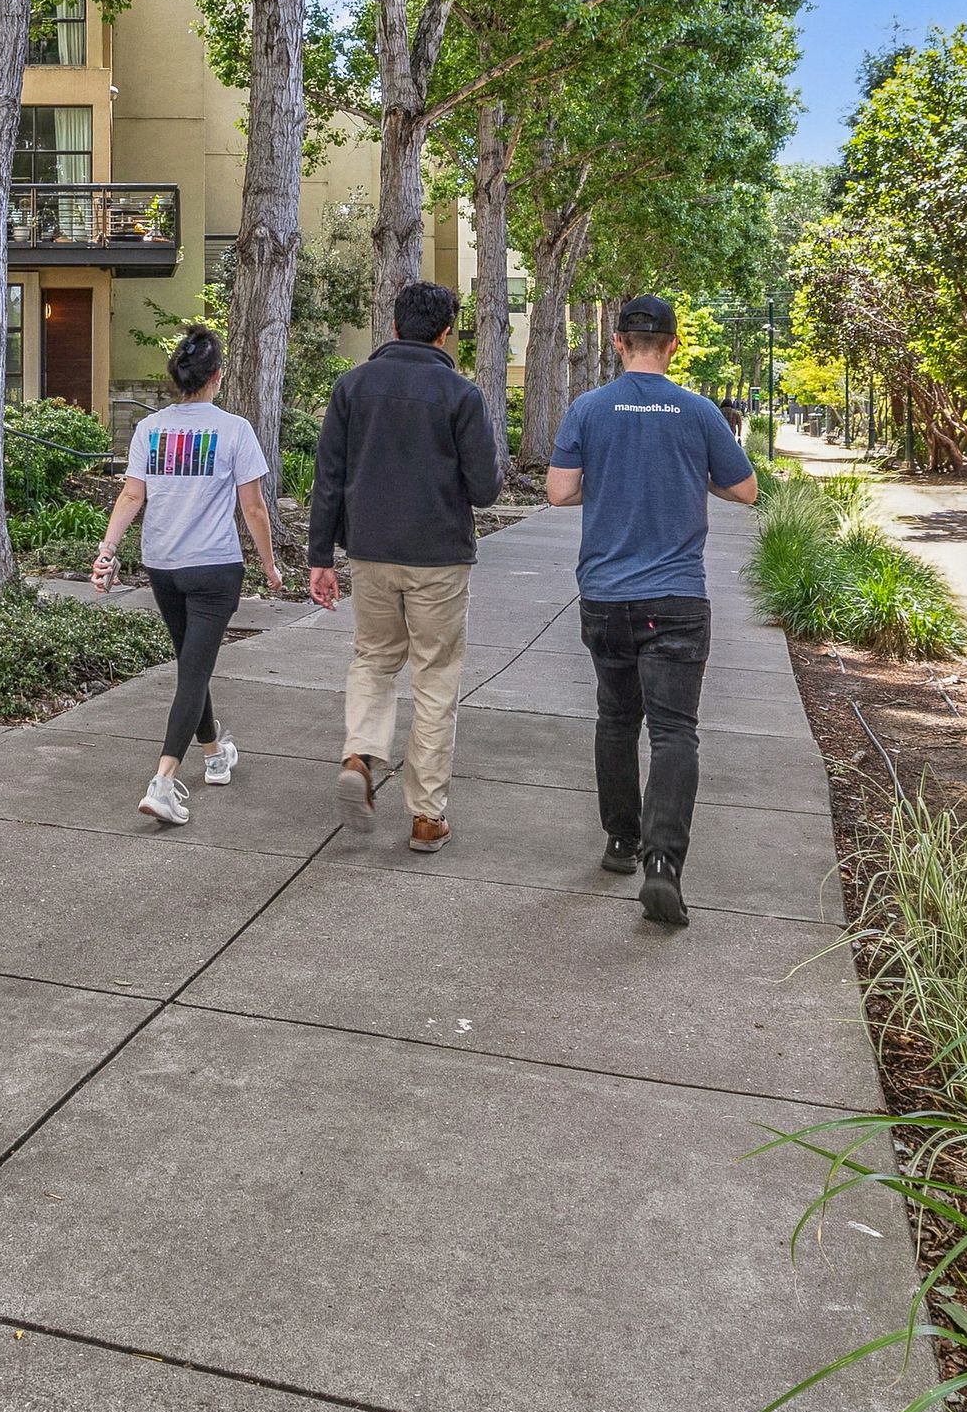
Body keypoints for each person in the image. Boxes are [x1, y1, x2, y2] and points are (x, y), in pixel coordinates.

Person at [547, 293, 759, 927]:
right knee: (674, 732)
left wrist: (607, 482)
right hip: (676, 599)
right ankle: (662, 862)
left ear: (618, 342)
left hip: (606, 596)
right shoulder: (698, 411)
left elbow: (559, 491)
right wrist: (694, 474)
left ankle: (620, 840)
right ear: (673, 344)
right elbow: (745, 490)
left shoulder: (588, 408)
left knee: (616, 719)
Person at [307, 279, 503, 852]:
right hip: (439, 556)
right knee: (435, 677)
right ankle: (425, 815)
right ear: (446, 333)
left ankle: (359, 755)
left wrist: (320, 557)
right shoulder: (461, 395)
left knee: (373, 659)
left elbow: (328, 478)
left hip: (369, 551)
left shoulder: (352, 386)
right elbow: (486, 489)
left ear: (393, 326)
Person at [94, 327, 277, 828]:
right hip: (214, 568)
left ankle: (215, 753)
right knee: (193, 672)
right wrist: (270, 566)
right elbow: (254, 508)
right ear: (217, 376)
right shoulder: (235, 429)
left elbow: (132, 495)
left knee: (192, 665)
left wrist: (107, 550)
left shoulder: (149, 429)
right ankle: (162, 782)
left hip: (163, 566)